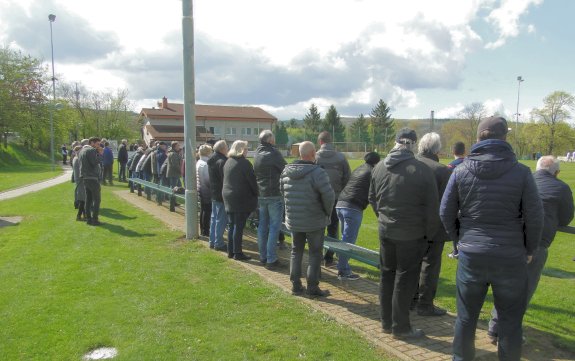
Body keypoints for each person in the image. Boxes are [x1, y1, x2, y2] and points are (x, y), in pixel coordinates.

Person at [440, 116, 543, 361]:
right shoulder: (521, 172)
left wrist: (459, 241)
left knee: (466, 318)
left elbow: (445, 211)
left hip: (474, 254)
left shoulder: (461, 170)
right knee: (510, 321)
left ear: (478, 138)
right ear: (504, 138)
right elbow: (535, 217)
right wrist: (530, 249)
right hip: (508, 256)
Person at [488, 156, 574, 344]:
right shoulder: (561, 188)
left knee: (505, 286)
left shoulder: (521, 179)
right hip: (535, 244)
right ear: (557, 173)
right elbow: (566, 217)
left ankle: (496, 327)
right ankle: (508, 333)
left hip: (509, 239)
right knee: (523, 291)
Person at [369, 128, 439, 339]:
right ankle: (400, 327)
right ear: (413, 145)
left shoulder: (380, 167)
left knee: (387, 274)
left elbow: (373, 198)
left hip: (387, 230)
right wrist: (429, 235)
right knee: (405, 279)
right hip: (411, 233)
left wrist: (383, 218)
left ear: (396, 142)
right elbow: (432, 209)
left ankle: (386, 322)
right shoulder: (421, 170)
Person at [281, 141, 335, 297]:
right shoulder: (318, 172)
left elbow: (282, 193)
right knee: (314, 254)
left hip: (294, 220)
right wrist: (327, 212)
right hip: (314, 220)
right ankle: (312, 288)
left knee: (295, 251)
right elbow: (329, 196)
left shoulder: (285, 171)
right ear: (313, 154)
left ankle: (296, 286)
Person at [413, 132, 452, 316]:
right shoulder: (442, 170)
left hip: (411, 224)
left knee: (412, 262)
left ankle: (411, 299)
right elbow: (448, 203)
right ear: (437, 149)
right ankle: (425, 304)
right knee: (430, 265)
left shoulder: (410, 164)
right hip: (433, 226)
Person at [334, 151, 380, 280]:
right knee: (348, 242)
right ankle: (343, 271)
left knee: (344, 239)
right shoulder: (372, 172)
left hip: (340, 204)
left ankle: (342, 264)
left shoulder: (359, 168)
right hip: (353, 207)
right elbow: (373, 194)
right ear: (376, 162)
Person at [315, 131, 351, 266]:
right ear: (331, 141)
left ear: (320, 142)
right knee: (333, 228)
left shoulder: (315, 157)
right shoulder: (341, 157)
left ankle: (317, 257)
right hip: (336, 197)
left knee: (318, 228)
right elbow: (348, 178)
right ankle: (329, 259)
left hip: (318, 199)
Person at [254, 130, 287, 269]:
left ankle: (263, 256)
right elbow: (285, 168)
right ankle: (271, 259)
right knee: (274, 227)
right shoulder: (274, 153)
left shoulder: (256, 153)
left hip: (261, 194)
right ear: (270, 140)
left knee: (263, 226)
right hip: (274, 194)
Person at [222, 140, 258, 261]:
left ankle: (230, 251)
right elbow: (252, 182)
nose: (247, 150)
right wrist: (257, 194)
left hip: (228, 196)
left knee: (232, 225)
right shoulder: (244, 163)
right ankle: (237, 252)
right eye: (246, 148)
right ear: (242, 150)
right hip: (239, 198)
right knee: (238, 226)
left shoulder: (228, 161)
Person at [207, 140, 229, 251]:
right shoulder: (222, 161)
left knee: (214, 218)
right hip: (221, 194)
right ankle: (219, 243)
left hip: (214, 193)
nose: (228, 149)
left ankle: (212, 241)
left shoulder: (211, 159)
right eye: (226, 147)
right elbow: (225, 179)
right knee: (221, 219)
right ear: (222, 149)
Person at [79, 137, 104, 226]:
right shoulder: (91, 150)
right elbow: (94, 162)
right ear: (92, 143)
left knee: (88, 199)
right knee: (97, 200)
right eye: (97, 144)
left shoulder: (82, 151)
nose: (99, 146)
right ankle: (95, 219)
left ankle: (89, 219)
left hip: (85, 178)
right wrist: (100, 154)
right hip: (92, 178)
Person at [447, 141, 465, 259]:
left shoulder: (450, 166)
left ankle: (456, 251)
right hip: (467, 199)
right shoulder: (469, 163)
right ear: (464, 151)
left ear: (453, 152)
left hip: (455, 200)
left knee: (455, 225)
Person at [196, 144, 213, 237]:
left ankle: (203, 229)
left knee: (203, 210)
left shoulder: (199, 161)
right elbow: (208, 180)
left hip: (201, 188)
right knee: (206, 211)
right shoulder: (205, 164)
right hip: (206, 190)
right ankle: (205, 231)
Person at [72, 145, 86, 221]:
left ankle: (84, 215)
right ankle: (79, 215)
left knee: (83, 198)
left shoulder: (75, 158)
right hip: (80, 181)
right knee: (82, 199)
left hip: (79, 180)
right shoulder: (77, 159)